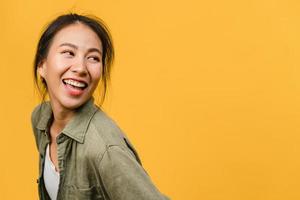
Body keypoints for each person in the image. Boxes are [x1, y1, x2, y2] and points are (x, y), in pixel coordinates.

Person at [31, 13, 169, 200]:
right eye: (69, 53)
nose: (80, 68)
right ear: (42, 65)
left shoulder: (103, 148)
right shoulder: (41, 118)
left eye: (93, 58)